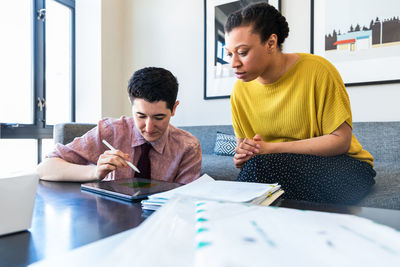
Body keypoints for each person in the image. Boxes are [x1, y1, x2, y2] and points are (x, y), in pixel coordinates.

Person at [224, 2, 376, 204]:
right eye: (229, 54)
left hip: (347, 166)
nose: (234, 63)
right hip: (279, 167)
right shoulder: (240, 91)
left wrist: (270, 149)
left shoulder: (318, 70)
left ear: (270, 43)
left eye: (242, 52)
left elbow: (341, 141)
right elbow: (246, 150)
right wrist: (243, 157)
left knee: (259, 172)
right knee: (258, 173)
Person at [37, 67, 202, 184]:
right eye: (141, 116)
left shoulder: (188, 147)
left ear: (174, 108)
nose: (149, 127)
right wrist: (95, 172)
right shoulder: (110, 131)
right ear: (131, 108)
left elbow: (186, 202)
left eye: (159, 117)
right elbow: (45, 168)